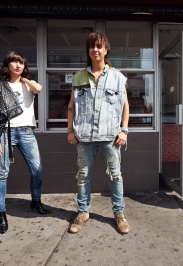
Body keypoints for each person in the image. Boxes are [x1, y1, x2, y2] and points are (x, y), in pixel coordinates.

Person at [67, 31, 130, 234]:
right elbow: (71, 106)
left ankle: (119, 213)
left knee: (115, 176)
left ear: (106, 49)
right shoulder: (78, 77)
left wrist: (124, 131)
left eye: (99, 46)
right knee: (83, 177)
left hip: (110, 137)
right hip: (84, 137)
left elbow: (125, 106)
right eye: (92, 46)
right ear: (88, 50)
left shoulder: (118, 78)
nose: (96, 49)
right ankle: (83, 212)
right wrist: (69, 129)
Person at [0, 51, 51, 234]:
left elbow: (39, 89)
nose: (18, 65)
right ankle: (0, 213)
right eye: (14, 62)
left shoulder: (28, 85)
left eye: (21, 62)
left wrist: (24, 79)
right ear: (7, 65)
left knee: (37, 169)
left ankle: (35, 201)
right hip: (5, 132)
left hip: (27, 131)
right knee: (0, 173)